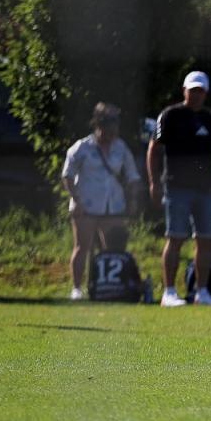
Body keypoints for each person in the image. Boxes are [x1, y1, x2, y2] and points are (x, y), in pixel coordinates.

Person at [148, 70, 211, 306]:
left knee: (206, 240)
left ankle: (202, 292)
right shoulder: (170, 115)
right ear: (184, 91)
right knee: (176, 237)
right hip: (176, 187)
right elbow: (154, 149)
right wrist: (154, 181)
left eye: (200, 90)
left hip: (205, 189)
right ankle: (169, 292)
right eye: (193, 90)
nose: (196, 94)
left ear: (206, 93)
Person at [61, 102, 141, 300]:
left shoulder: (121, 147)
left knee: (113, 249)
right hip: (86, 206)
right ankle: (77, 289)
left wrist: (133, 200)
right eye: (108, 129)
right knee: (82, 247)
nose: (111, 134)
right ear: (99, 125)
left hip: (113, 206)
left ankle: (108, 287)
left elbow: (132, 176)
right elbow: (67, 176)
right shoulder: (82, 147)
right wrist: (75, 200)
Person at [85, 224, 148, 303]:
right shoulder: (127, 257)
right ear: (123, 242)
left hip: (98, 296)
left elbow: (92, 280)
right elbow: (136, 280)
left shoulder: (97, 257)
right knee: (141, 284)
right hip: (123, 296)